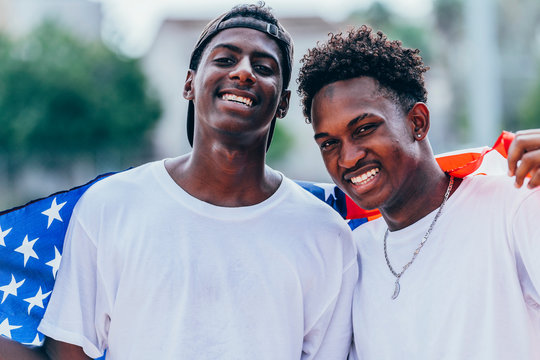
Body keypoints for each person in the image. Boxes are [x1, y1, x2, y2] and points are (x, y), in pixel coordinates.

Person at [0, 4, 357, 359]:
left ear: (283, 103)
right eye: (225, 60)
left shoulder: (325, 232)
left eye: (263, 68)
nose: (244, 73)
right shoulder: (111, 204)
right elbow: (70, 346)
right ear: (189, 83)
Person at [297, 25, 540, 359]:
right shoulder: (351, 253)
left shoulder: (512, 204)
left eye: (365, 129)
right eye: (329, 144)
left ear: (418, 123)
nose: (348, 157)